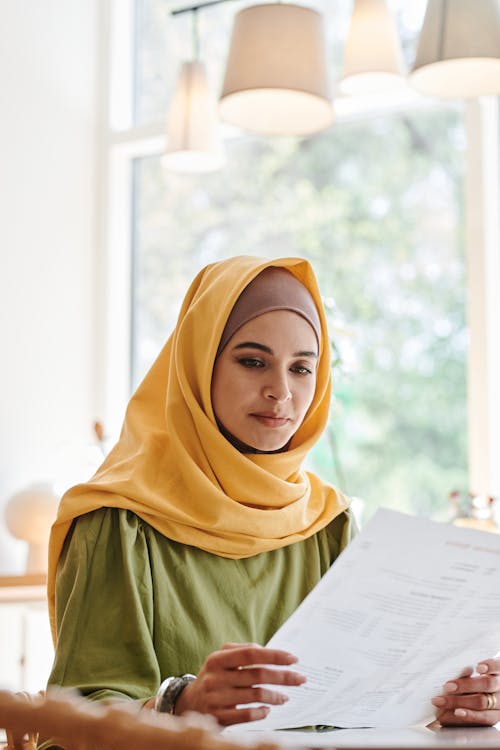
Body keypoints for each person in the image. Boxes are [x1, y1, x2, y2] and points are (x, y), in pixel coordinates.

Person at [46, 255, 500, 729]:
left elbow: (356, 711)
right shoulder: (120, 521)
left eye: (302, 368)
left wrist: (447, 705)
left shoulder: (329, 522)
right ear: (198, 367)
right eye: (252, 361)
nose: (280, 391)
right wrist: (181, 704)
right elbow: (72, 723)